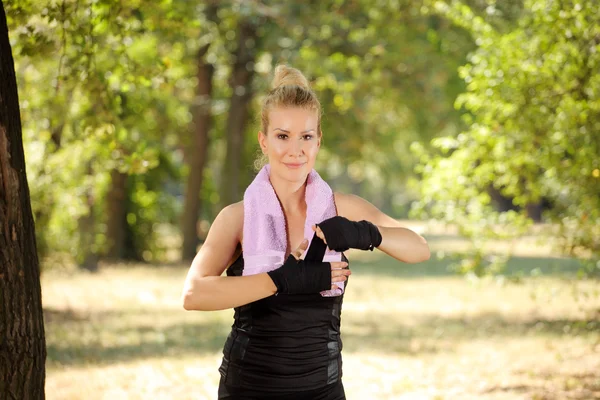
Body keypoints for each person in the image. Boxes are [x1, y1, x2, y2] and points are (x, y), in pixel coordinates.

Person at [181, 65, 430, 400]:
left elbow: (419, 248)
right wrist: (283, 279)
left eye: (306, 137)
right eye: (282, 136)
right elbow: (194, 294)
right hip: (247, 388)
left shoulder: (341, 208)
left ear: (318, 141)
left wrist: (364, 234)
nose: (295, 150)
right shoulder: (237, 217)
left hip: (322, 389)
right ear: (264, 141)